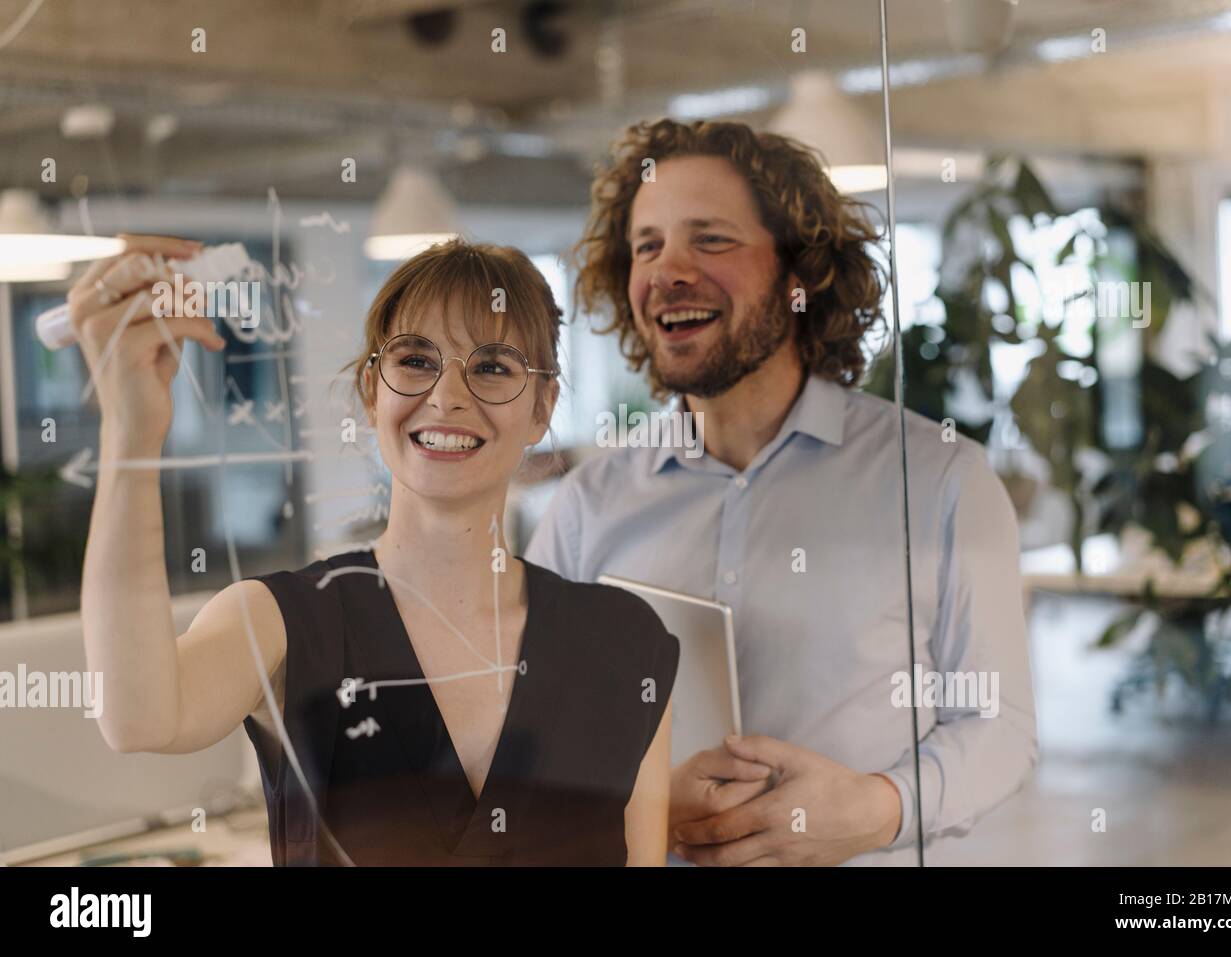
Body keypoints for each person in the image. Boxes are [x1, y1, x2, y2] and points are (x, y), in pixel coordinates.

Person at [525, 118, 1038, 866]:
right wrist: (645, 803)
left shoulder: (937, 480)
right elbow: (533, 722)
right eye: (647, 246)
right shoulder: (589, 503)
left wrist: (876, 806)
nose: (668, 270)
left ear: (799, 275)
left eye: (710, 239)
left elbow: (1001, 725)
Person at [73, 234, 678, 866]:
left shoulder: (625, 645)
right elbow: (136, 716)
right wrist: (132, 428)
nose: (447, 396)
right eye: (416, 360)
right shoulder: (280, 622)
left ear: (541, 409)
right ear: (372, 392)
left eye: (493, 367)